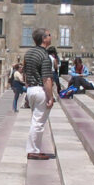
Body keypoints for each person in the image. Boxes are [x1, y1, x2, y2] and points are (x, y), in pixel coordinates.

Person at [24, 28, 56, 160]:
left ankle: (34, 148)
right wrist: (50, 96)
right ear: (43, 39)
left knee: (35, 120)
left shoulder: (29, 53)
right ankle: (33, 150)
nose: (51, 36)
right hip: (39, 90)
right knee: (38, 122)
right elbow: (47, 78)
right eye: (49, 35)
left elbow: (26, 72)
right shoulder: (45, 56)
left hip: (30, 89)